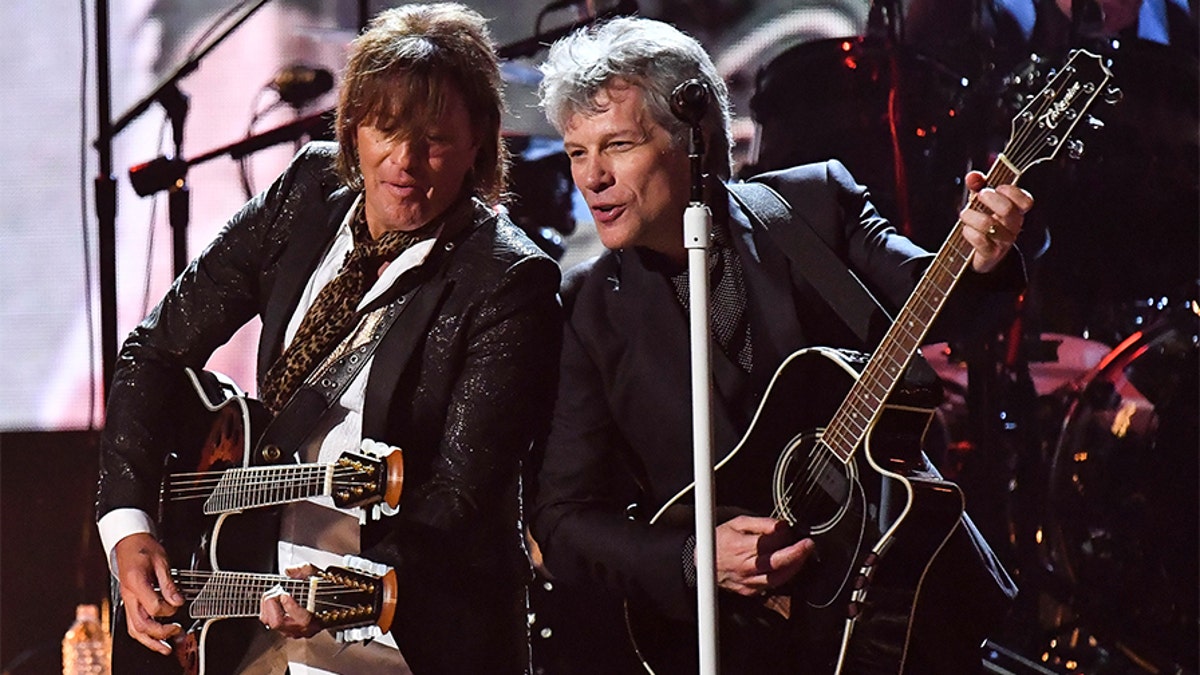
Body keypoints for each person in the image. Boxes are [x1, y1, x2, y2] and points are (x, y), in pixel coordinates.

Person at [528, 16, 1031, 675]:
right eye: (576, 151)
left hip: (906, 598)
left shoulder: (814, 204)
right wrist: (696, 559)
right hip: (744, 640)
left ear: (694, 137)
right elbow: (563, 521)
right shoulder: (586, 310)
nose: (591, 177)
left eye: (617, 144)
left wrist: (982, 255)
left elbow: (929, 293)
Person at [95, 4, 561, 673]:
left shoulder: (509, 280)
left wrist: (350, 592)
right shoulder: (305, 192)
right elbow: (156, 349)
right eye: (386, 129)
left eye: (433, 139)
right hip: (248, 608)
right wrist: (130, 526)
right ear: (351, 127)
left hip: (405, 634)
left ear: (479, 141)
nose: (404, 161)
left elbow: (461, 498)